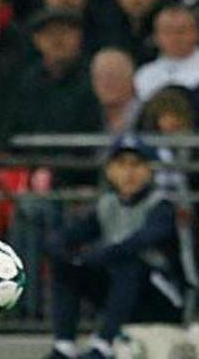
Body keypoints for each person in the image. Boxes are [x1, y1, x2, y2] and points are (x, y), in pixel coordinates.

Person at [46, 135, 187, 359]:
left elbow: (138, 242)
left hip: (162, 296)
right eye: (121, 165)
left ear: (150, 171)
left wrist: (94, 256)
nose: (128, 173)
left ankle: (105, 343)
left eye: (136, 165)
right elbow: (70, 235)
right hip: (123, 291)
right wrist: (63, 251)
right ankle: (64, 345)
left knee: (128, 264)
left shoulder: (162, 206)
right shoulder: (107, 204)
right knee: (67, 267)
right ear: (109, 171)